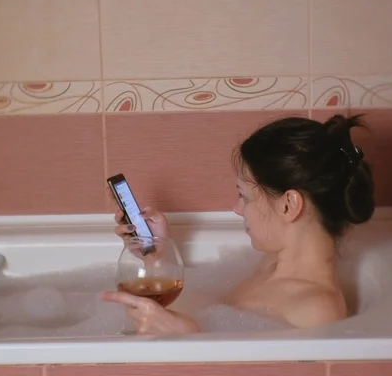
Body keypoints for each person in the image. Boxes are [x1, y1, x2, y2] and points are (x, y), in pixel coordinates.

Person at [101, 114, 375, 335]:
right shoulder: (272, 264)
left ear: (289, 205)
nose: (237, 208)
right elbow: (215, 312)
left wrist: (190, 336)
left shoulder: (317, 309)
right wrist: (157, 255)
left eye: (244, 196)